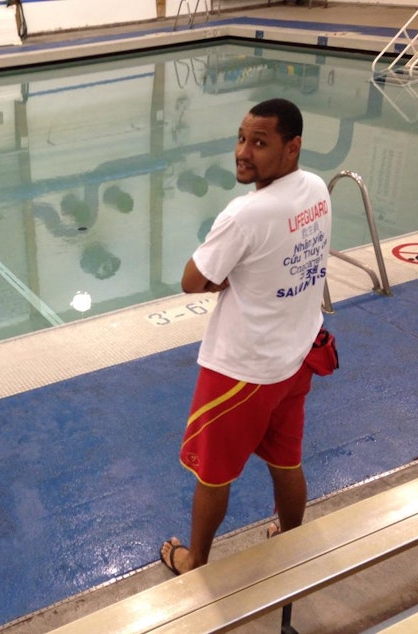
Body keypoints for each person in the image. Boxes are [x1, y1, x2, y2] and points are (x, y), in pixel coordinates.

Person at [160, 98, 332, 575]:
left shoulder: (244, 215)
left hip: (242, 370)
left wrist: (229, 274)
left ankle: (196, 563)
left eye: (259, 143)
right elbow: (289, 254)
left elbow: (192, 281)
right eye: (241, 138)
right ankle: (290, 537)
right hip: (296, 357)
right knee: (285, 460)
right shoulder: (317, 188)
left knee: (212, 474)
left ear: (291, 148)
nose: (243, 152)